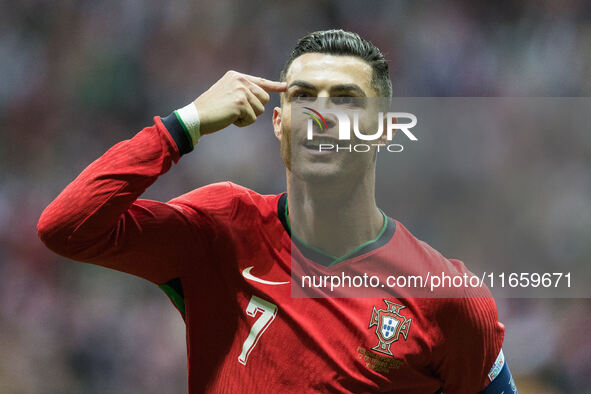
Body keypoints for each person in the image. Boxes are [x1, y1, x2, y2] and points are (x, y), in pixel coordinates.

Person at [37, 29, 517, 393]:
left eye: (346, 100)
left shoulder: (448, 299)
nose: (321, 115)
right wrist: (184, 125)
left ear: (385, 131)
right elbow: (66, 228)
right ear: (278, 122)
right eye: (303, 96)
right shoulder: (221, 228)